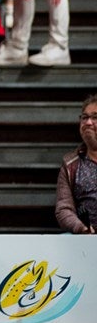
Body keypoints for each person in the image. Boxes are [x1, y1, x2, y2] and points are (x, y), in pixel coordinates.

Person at [56, 95, 97, 234]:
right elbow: (64, 209)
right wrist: (82, 228)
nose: (88, 122)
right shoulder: (70, 164)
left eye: (95, 117)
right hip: (86, 239)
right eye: (84, 117)